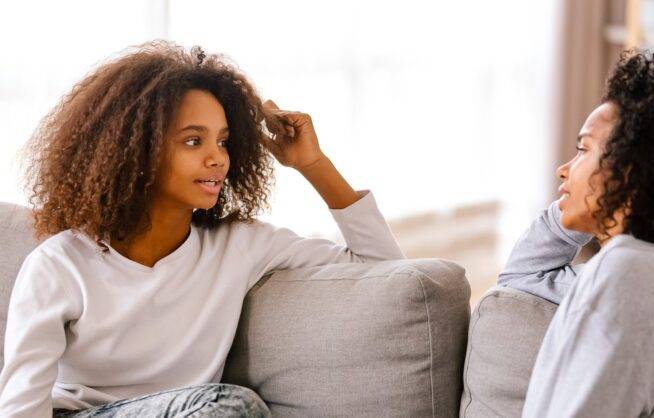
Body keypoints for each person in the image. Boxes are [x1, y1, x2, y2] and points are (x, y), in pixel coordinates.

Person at [0, 41, 404, 418]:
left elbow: (382, 268)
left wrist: (313, 164)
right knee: (229, 404)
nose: (218, 159)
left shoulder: (239, 246)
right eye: (194, 141)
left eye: (224, 142)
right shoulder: (60, 264)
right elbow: (21, 407)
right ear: (136, 149)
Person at [498, 51, 654, 417]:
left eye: (583, 149)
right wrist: (584, 205)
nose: (563, 169)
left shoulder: (626, 274)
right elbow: (517, 279)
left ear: (631, 170)